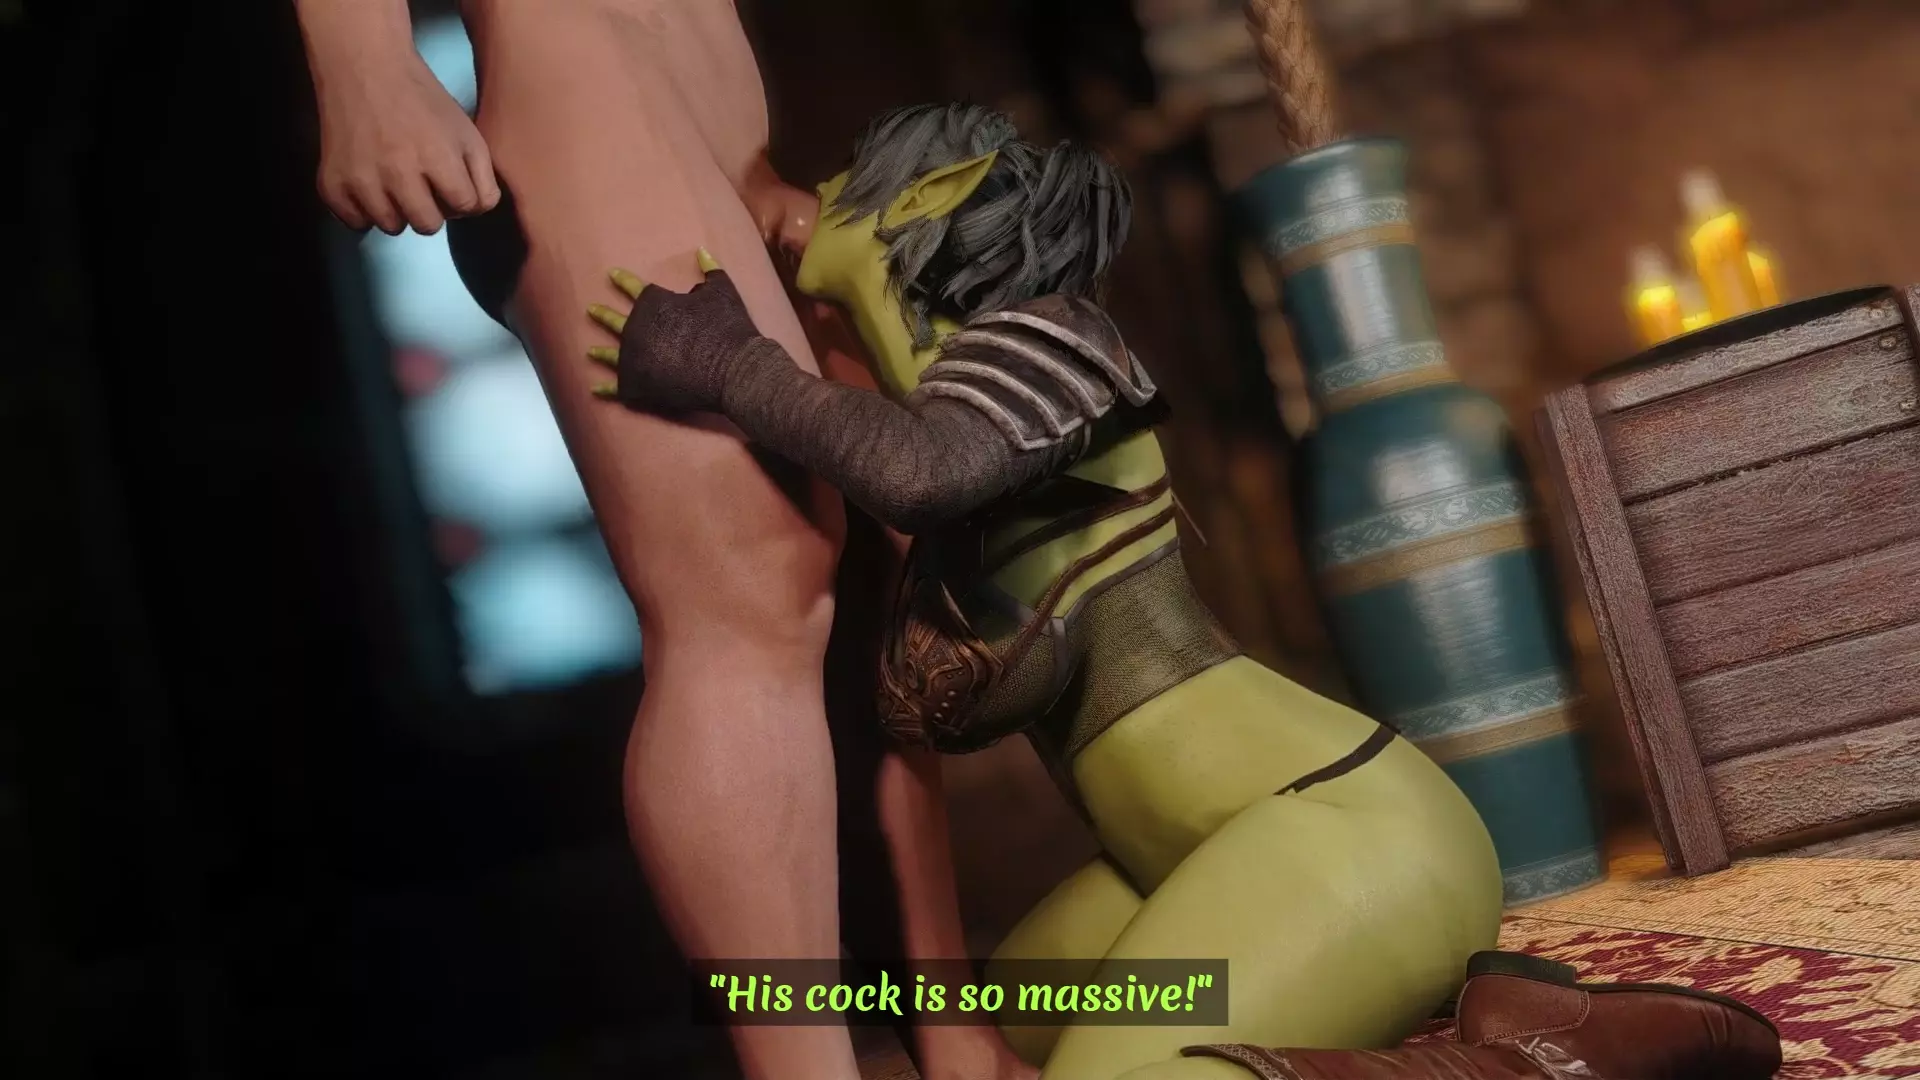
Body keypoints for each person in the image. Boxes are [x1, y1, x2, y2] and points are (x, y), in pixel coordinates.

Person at [584, 102, 1786, 1080]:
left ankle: (1542, 1064)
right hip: (1180, 860)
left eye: (850, 177)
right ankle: (1508, 1019)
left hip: (1351, 835)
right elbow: (920, 492)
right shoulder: (957, 420)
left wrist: (734, 366)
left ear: (932, 197)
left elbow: (923, 468)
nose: (815, 201)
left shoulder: (1054, 342)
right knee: (994, 1033)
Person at [293, 4, 1031, 1078]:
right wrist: (360, 59)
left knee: (872, 582)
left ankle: (955, 1042)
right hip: (574, 71)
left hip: (704, 94)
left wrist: (747, 158)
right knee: (748, 574)